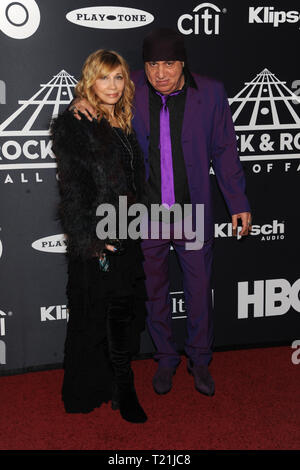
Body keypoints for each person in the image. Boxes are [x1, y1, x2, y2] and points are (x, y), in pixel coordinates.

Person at [71, 29, 252, 398]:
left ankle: (200, 358)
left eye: (169, 64)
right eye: (153, 64)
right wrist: (77, 105)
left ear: (183, 63)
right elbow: (96, 92)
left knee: (199, 289)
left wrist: (239, 203)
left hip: (192, 210)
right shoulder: (130, 85)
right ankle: (166, 357)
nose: (161, 73)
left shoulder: (212, 93)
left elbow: (226, 152)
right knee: (154, 291)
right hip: (146, 213)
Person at [50, 49, 147, 423]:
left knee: (125, 314)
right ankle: (116, 388)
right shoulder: (77, 123)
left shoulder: (122, 121)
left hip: (128, 230)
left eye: (118, 77)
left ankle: (118, 384)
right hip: (99, 237)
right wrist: (91, 238)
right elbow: (72, 189)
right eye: (103, 78)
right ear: (89, 81)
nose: (112, 85)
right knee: (101, 316)